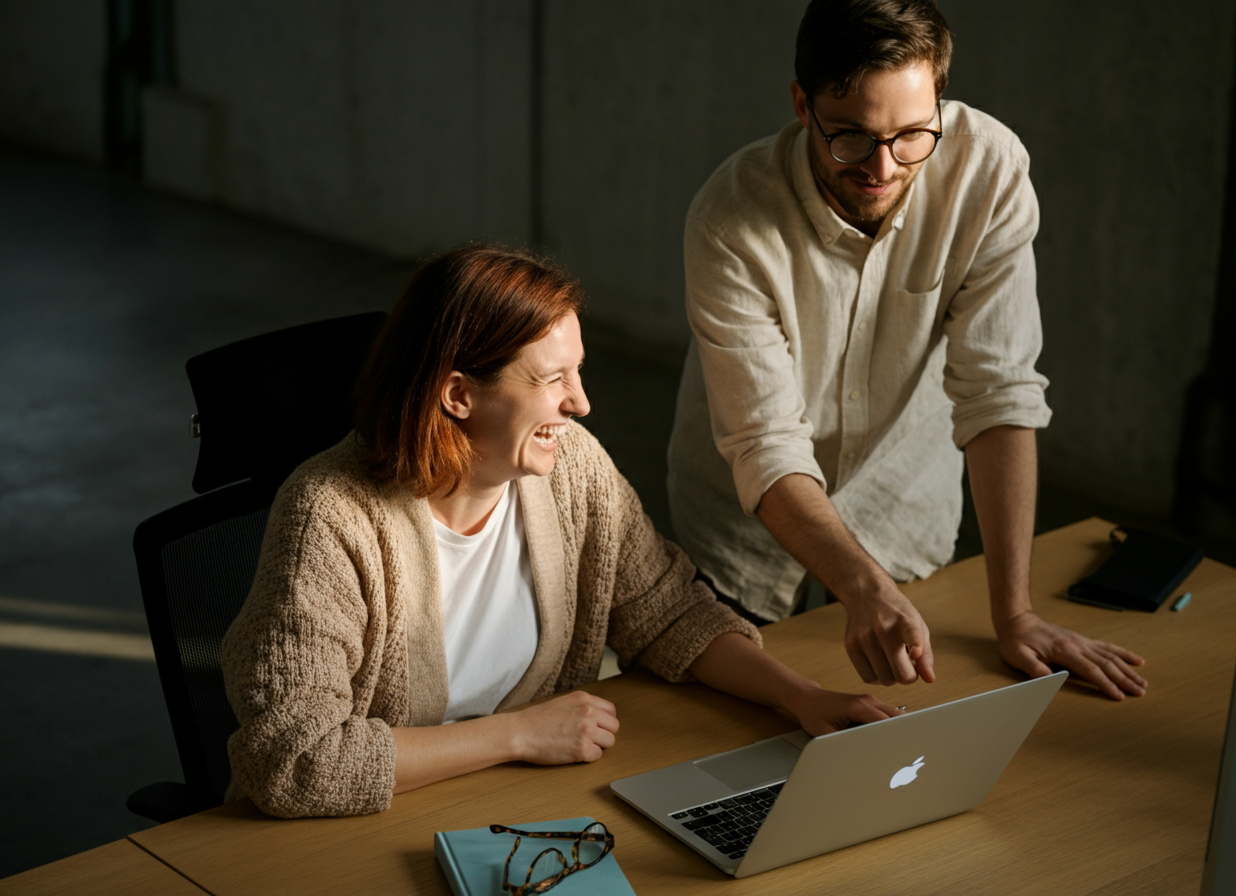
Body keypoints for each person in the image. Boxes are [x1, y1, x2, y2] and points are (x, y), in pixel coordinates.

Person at [221, 243, 905, 819]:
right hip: (354, 834)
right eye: (553, 380)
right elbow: (294, 760)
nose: (580, 402)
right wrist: (517, 735)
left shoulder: (571, 468)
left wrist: (802, 697)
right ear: (458, 394)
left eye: (578, 371)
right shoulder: (329, 516)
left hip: (520, 810)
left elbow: (669, 613)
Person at [667, 0, 1147, 701]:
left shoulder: (988, 174)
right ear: (802, 104)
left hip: (902, 511)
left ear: (939, 101)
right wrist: (861, 586)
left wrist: (1015, 614)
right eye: (851, 138)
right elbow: (766, 444)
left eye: (913, 136)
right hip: (742, 531)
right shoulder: (729, 219)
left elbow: (998, 392)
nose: (882, 168)